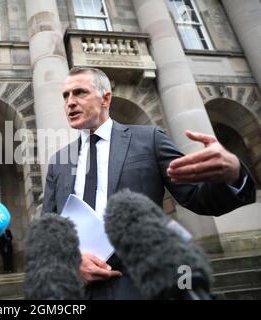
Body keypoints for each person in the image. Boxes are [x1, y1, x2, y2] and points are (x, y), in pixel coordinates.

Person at [42, 67, 256, 299]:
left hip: (143, 285)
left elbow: (196, 197)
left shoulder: (149, 139)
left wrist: (234, 174)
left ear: (106, 98)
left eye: (79, 93)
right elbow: (50, 228)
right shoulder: (59, 162)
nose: (70, 102)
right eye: (65, 96)